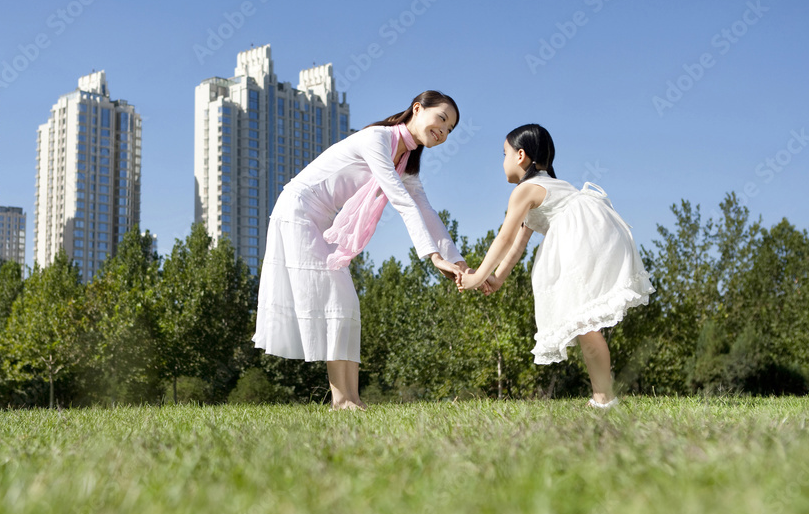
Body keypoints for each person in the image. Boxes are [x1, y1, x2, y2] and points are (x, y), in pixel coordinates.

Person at [253, 90, 468, 410]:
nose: (443, 131)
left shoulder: (406, 162)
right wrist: (434, 258)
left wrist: (458, 261)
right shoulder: (377, 139)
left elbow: (425, 210)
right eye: (441, 119)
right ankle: (342, 401)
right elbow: (401, 201)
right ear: (417, 109)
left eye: (450, 129)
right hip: (298, 211)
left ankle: (349, 399)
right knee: (339, 301)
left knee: (347, 305)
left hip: (321, 219)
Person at [455, 124, 654, 408]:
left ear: (520, 155)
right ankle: (602, 397)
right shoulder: (553, 186)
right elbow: (518, 245)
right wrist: (496, 279)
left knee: (584, 321)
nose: (503, 161)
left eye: (504, 153)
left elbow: (505, 237)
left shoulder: (525, 190)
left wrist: (477, 279)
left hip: (582, 239)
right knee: (586, 322)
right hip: (600, 232)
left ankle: (604, 398)